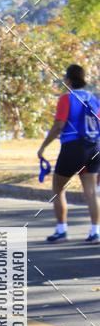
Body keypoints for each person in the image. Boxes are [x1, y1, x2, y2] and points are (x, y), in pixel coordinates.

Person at [37, 64, 100, 243]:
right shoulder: (94, 99)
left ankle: (61, 230)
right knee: (90, 192)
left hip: (73, 148)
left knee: (58, 188)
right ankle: (95, 232)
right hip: (94, 147)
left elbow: (59, 125)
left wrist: (43, 146)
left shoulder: (67, 98)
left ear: (68, 80)